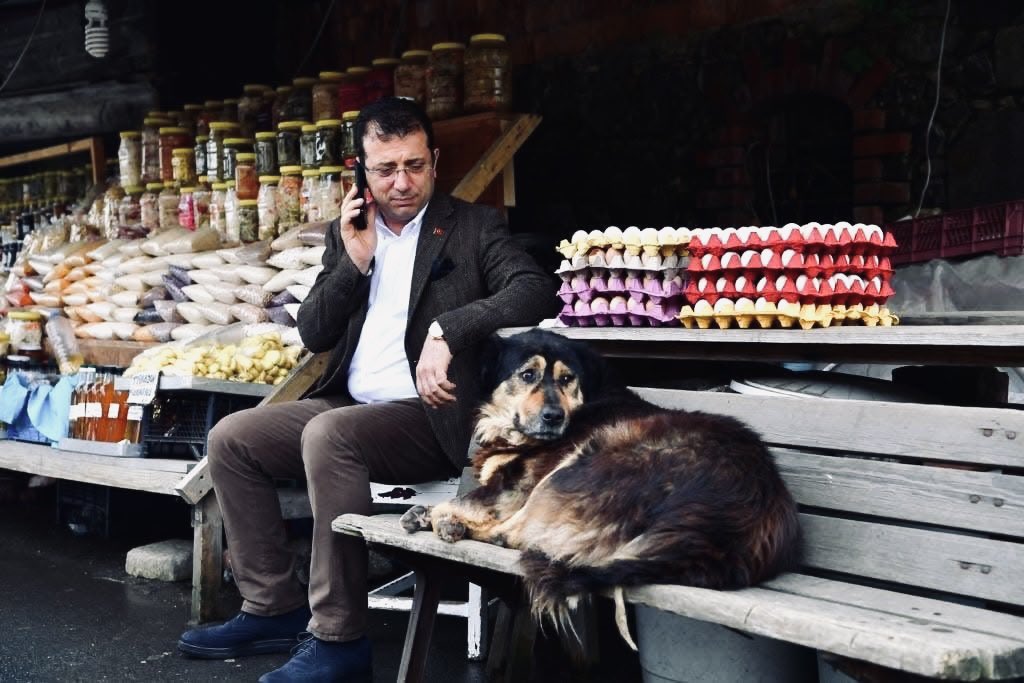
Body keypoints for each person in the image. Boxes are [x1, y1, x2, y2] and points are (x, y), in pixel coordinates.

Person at [176, 96, 555, 682]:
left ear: (434, 159)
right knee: (233, 438)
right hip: (352, 405)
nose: (401, 182)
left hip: (432, 416)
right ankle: (273, 605)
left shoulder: (473, 226)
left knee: (331, 436)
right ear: (362, 169)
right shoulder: (350, 233)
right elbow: (313, 332)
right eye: (386, 169)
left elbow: (533, 288)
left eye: (414, 165)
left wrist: (448, 329)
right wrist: (354, 262)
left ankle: (339, 640)